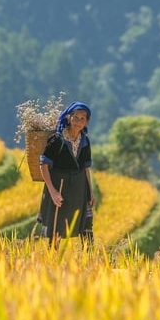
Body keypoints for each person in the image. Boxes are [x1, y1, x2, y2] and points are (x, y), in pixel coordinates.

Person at [38, 101, 96, 248]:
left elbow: (85, 168)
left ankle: (90, 261)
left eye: (82, 119)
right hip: (60, 186)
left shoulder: (85, 141)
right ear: (69, 118)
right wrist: (53, 192)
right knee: (56, 226)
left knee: (86, 226)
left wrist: (90, 192)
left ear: (86, 122)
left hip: (79, 187)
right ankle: (53, 261)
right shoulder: (57, 140)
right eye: (76, 117)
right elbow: (44, 165)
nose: (78, 121)